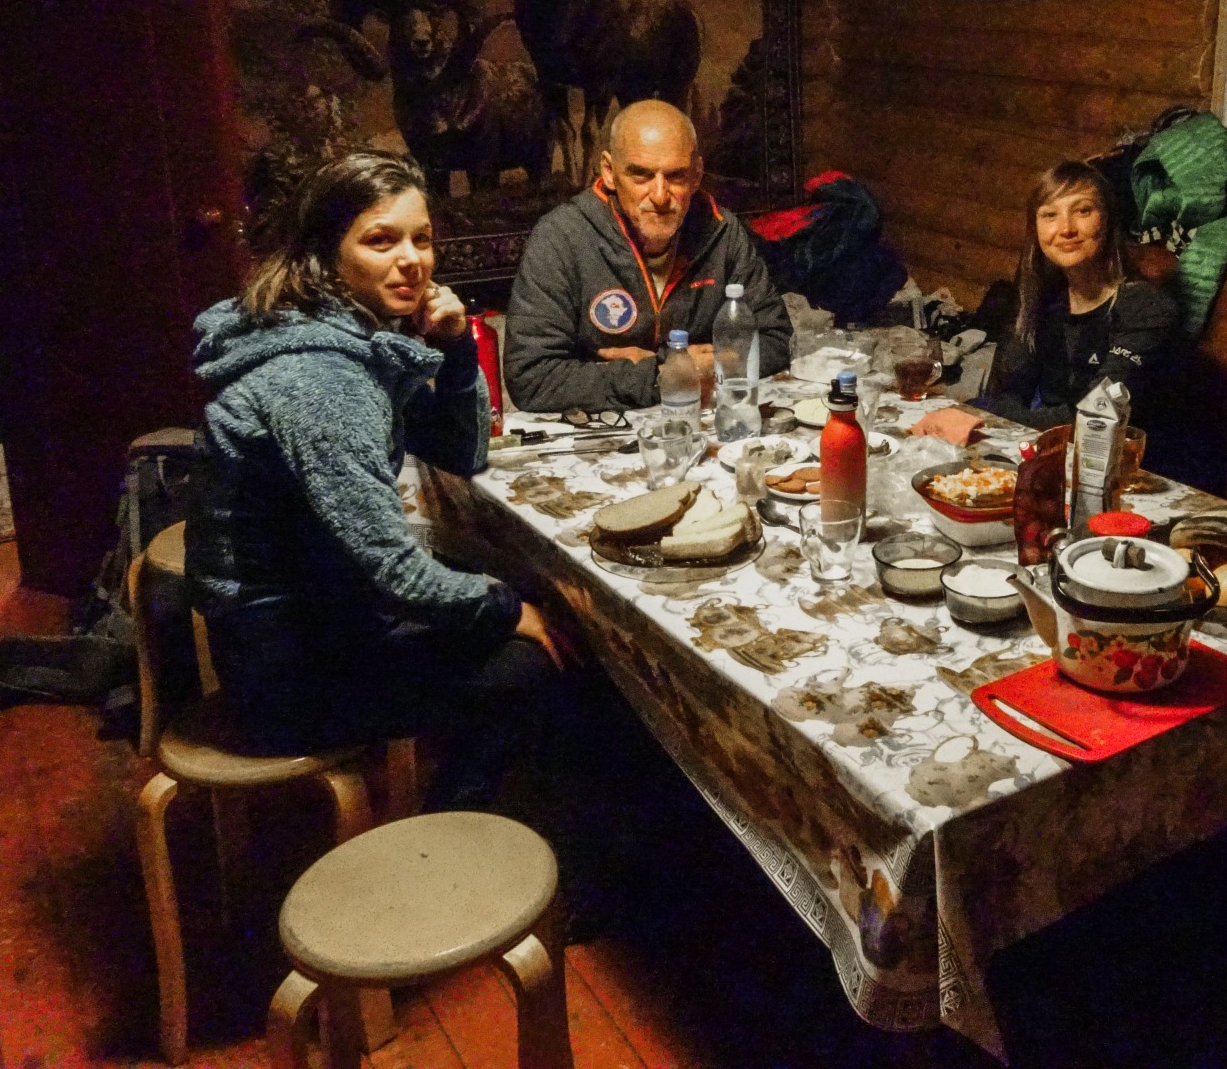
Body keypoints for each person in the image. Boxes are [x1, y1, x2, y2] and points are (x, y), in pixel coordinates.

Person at [188, 151, 562, 811]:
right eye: (380, 241)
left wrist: (454, 350)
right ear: (326, 255)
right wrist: (509, 610)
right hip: (286, 672)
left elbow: (459, 451)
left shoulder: (337, 333)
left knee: (521, 588)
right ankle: (447, 839)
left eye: (422, 239)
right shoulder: (321, 379)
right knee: (525, 663)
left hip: (317, 620)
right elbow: (396, 573)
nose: (412, 260)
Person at [505, 98, 791, 412]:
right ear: (610, 172)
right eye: (640, 175)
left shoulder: (722, 231)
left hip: (703, 418)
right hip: (603, 430)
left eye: (676, 176)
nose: (659, 196)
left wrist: (675, 366)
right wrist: (663, 372)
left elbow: (777, 340)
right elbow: (531, 378)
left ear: (696, 175)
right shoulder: (560, 238)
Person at [981, 161, 1177, 431]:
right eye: (1050, 215)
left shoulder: (1146, 307)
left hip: (1117, 458)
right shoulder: (1042, 297)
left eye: (1083, 211)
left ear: (1108, 220)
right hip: (1046, 445)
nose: (1066, 228)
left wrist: (995, 420)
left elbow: (1097, 416)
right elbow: (1005, 393)